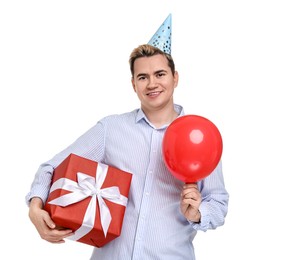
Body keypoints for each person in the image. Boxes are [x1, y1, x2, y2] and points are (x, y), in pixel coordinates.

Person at [26, 14, 229, 260]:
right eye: (143, 77)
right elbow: (52, 167)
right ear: (133, 84)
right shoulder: (111, 129)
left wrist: (197, 213)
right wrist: (35, 206)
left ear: (175, 78)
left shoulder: (200, 136)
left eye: (160, 74)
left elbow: (218, 204)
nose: (152, 83)